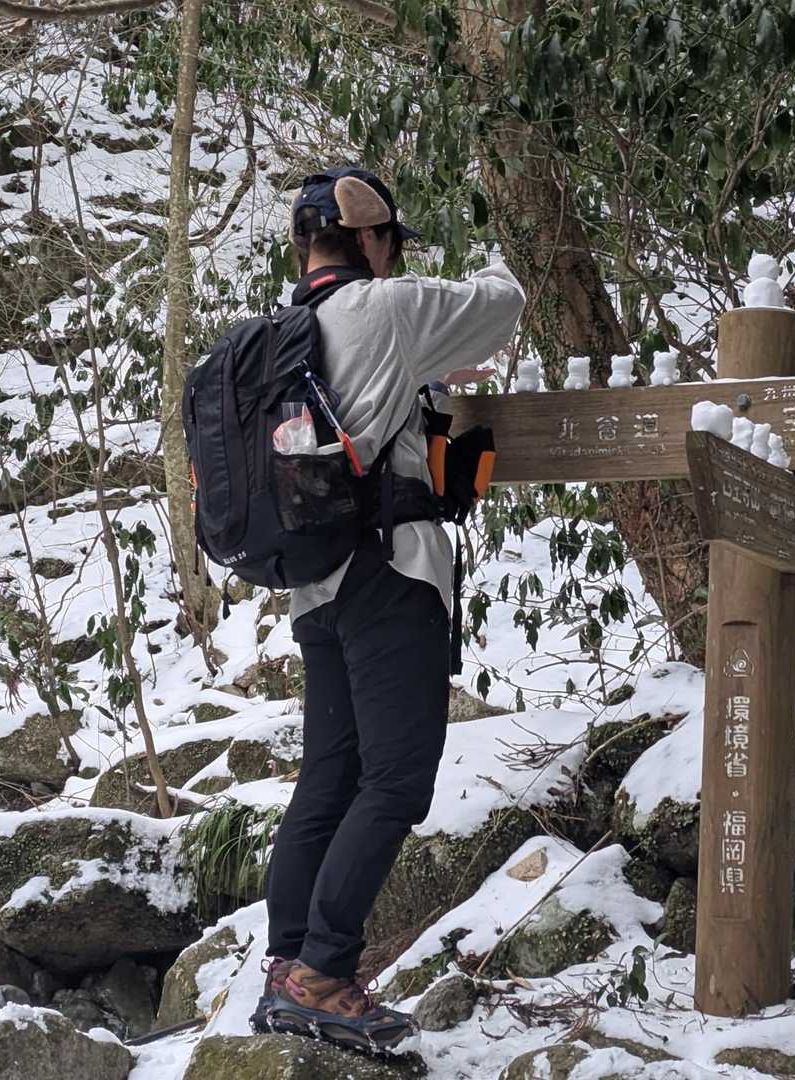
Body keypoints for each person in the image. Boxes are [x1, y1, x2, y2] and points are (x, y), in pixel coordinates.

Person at [251, 166, 524, 1054]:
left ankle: (288, 971)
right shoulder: (387, 308)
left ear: (305, 247)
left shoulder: (284, 333)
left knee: (328, 778)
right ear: (369, 241)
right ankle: (324, 975)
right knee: (398, 779)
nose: (394, 259)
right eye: (391, 244)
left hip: (315, 586)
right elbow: (503, 305)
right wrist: (501, 253)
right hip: (388, 578)